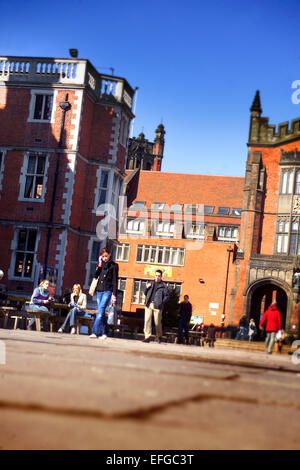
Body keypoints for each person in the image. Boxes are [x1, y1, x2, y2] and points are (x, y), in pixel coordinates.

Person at [89, 247, 118, 339]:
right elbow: (95, 276)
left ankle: (95, 332)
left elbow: (115, 281)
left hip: (108, 290)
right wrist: (100, 265)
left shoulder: (114, 266)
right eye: (103, 256)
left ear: (109, 255)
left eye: (106, 256)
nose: (105, 258)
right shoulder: (100, 264)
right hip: (99, 291)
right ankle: (105, 332)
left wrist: (114, 295)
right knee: (101, 312)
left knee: (100, 310)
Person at [143, 269, 170, 343]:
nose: (157, 277)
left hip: (158, 306)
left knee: (157, 322)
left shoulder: (164, 286)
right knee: (147, 321)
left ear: (161, 277)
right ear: (154, 276)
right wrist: (147, 288)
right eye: (156, 275)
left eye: (159, 276)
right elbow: (145, 293)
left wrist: (161, 303)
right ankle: (147, 337)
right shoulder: (150, 283)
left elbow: (167, 296)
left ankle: (158, 337)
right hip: (149, 304)